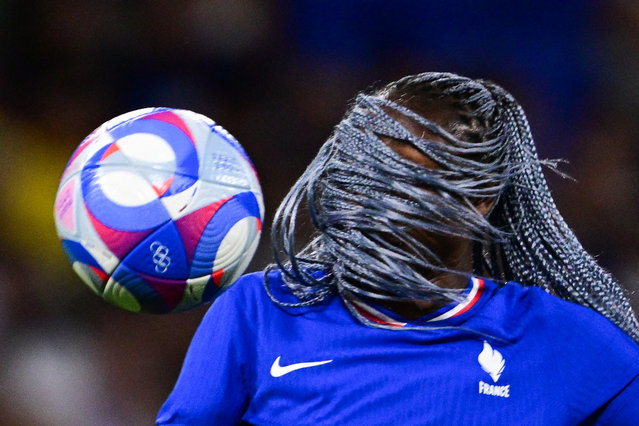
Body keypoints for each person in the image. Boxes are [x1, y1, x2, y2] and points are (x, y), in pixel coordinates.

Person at [156, 72, 639, 425]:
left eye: (407, 181)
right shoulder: (262, 310)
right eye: (365, 174)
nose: (376, 200)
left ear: (480, 198)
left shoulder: (563, 342)